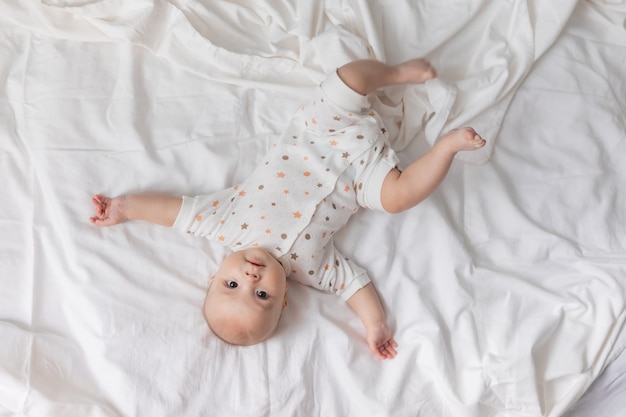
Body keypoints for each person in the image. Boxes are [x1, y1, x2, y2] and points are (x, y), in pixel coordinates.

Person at [90, 58, 485, 360]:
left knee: (346, 78)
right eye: (260, 294)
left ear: (215, 276)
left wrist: (125, 208)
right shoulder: (312, 270)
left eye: (231, 285)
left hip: (319, 130)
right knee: (399, 198)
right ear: (283, 301)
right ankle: (447, 147)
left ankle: (396, 73)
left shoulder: (226, 225)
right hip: (364, 176)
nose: (249, 276)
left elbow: (175, 212)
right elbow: (354, 285)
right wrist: (375, 323)